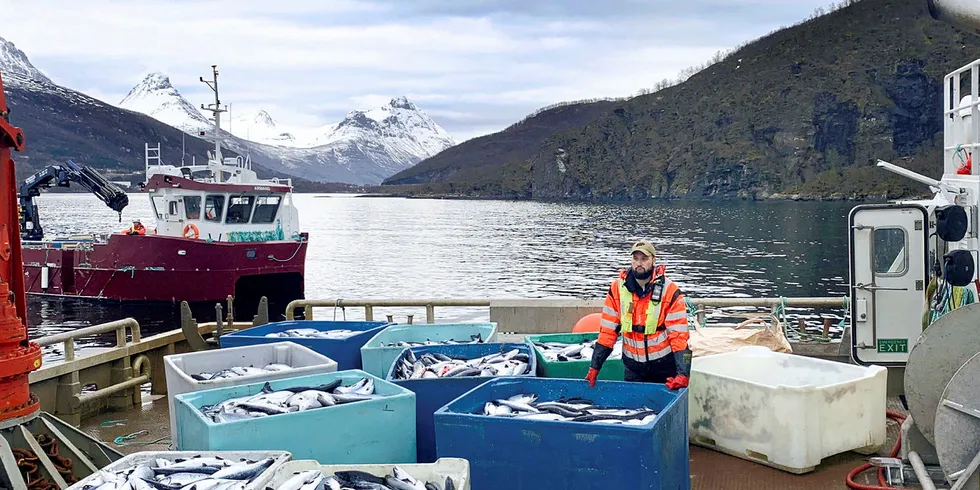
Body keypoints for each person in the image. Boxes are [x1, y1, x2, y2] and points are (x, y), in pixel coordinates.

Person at [586, 240, 692, 390]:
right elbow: (608, 331)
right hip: (633, 368)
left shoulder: (670, 291)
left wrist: (683, 374)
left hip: (664, 368)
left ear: (653, 261)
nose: (639, 263)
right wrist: (594, 367)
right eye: (635, 259)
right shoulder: (617, 289)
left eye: (644, 259)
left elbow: (679, 335)